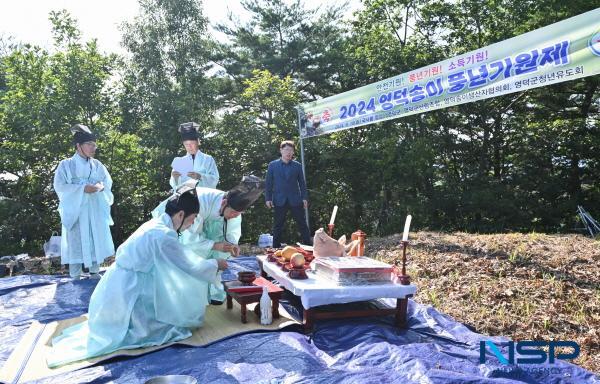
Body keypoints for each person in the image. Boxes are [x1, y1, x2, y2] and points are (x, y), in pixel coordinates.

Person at [47, 185, 227, 368]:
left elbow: (178, 257)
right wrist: (215, 265)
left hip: (116, 287)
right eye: (192, 218)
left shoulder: (156, 224)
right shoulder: (163, 235)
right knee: (172, 329)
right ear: (180, 215)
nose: (192, 224)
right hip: (128, 293)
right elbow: (188, 265)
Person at [152, 176, 264, 303]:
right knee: (193, 255)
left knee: (222, 250)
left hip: (206, 222)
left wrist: (231, 245)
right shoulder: (198, 203)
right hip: (182, 221)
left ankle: (215, 293)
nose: (235, 216)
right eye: (233, 213)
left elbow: (232, 233)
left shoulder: (233, 209)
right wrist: (215, 245)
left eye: (238, 214)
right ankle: (187, 295)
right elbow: (190, 238)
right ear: (223, 203)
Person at [53, 124, 115, 279]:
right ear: (78, 146)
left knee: (94, 236)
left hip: (93, 208)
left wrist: (100, 187)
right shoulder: (66, 164)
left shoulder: (97, 165)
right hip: (76, 210)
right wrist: (81, 189)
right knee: (75, 239)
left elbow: (106, 182)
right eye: (90, 144)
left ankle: (94, 270)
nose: (93, 148)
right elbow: (59, 185)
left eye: (94, 145)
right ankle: (74, 274)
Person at [265, 141, 311, 248]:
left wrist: (304, 197)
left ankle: (309, 247)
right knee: (278, 225)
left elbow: (302, 183)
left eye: (291, 150)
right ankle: (275, 247)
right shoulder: (272, 165)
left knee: (302, 224)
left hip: (295, 199)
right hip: (279, 199)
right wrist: (268, 198)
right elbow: (268, 183)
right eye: (286, 150)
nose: (288, 152)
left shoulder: (297, 166)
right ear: (281, 150)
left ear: (293, 152)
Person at [170, 122, 219, 190]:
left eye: (192, 143)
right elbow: (174, 185)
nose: (189, 147)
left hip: (203, 196)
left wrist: (200, 176)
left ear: (198, 142)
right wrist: (175, 178)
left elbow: (215, 179)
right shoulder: (179, 161)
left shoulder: (208, 159)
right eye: (186, 144)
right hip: (185, 197)